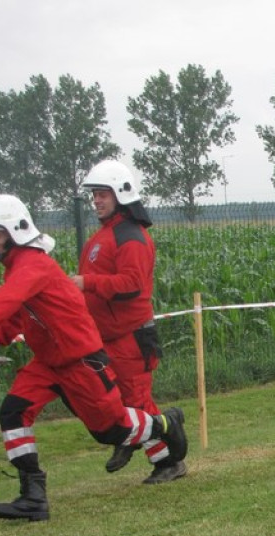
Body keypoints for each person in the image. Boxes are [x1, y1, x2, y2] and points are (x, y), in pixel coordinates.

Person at [0, 194, 188, 522]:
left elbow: (6, 300)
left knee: (112, 430)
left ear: (15, 231)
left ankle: (165, 424)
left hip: (81, 361)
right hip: (49, 363)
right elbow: (16, 315)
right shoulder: (19, 269)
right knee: (13, 412)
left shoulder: (32, 265)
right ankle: (33, 496)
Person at [73, 159, 186, 484]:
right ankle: (138, 444)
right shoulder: (104, 236)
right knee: (117, 400)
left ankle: (168, 460)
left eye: (102, 194)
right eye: (94, 195)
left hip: (131, 337)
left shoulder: (131, 237)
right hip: (107, 336)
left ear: (120, 194)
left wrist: (86, 283)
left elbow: (132, 284)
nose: (96, 200)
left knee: (137, 402)